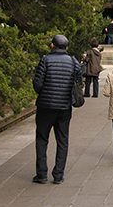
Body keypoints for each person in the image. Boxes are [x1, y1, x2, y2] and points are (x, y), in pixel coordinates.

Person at [32, 34, 82, 185]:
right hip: (64, 107)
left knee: (42, 139)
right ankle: (58, 174)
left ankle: (41, 173)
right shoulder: (73, 62)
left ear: (52, 46)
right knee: (62, 140)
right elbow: (79, 83)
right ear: (66, 47)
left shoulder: (45, 60)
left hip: (45, 106)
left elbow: (37, 85)